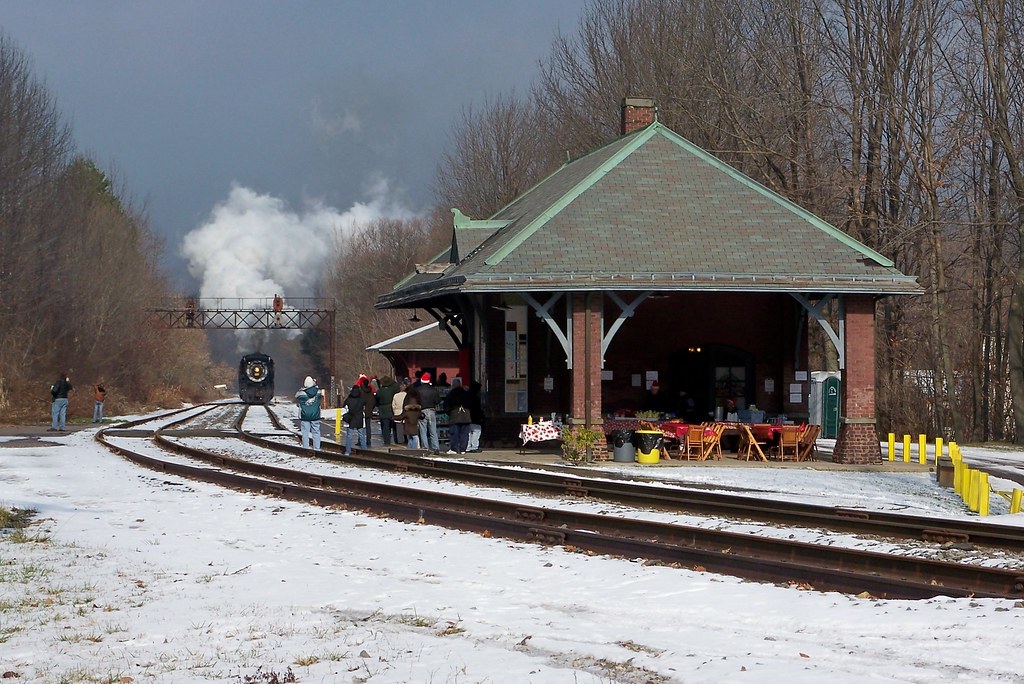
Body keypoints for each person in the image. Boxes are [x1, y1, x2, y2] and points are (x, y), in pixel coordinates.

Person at [443, 380, 471, 454]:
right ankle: (463, 449)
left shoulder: (451, 394)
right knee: (464, 434)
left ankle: (454, 449)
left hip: (455, 416)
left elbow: (446, 405)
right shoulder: (466, 393)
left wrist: (449, 413)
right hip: (466, 416)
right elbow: (471, 404)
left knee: (454, 433)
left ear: (453, 385)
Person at [416, 372, 441, 453]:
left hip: (422, 411)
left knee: (423, 430)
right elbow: (438, 401)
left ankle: (425, 448)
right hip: (431, 410)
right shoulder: (434, 390)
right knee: (433, 431)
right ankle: (436, 448)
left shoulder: (418, 390)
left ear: (422, 380)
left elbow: (415, 401)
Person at [294, 376, 321, 449]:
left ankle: (306, 448)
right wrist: (315, 385)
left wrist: (303, 388)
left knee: (305, 433)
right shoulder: (318, 392)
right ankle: (317, 448)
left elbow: (296, 396)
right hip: (315, 415)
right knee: (316, 432)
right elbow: (320, 393)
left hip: (305, 416)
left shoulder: (301, 393)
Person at [343, 383, 367, 455]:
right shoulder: (361, 399)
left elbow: (344, 406)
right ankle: (364, 451)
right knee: (361, 435)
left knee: (349, 435)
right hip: (359, 418)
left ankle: (348, 451)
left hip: (351, 418)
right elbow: (365, 403)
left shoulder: (349, 399)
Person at [375, 375, 400, 446]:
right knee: (394, 425)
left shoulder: (380, 391)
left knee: (385, 427)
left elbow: (376, 400)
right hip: (391, 409)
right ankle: (397, 440)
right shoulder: (393, 389)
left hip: (383, 410)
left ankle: (387, 442)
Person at [466, 380, 485, 453]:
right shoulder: (476, 397)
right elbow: (477, 408)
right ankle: (474, 447)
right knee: (476, 432)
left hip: (467, 417)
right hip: (475, 417)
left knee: (469, 433)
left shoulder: (466, 395)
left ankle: (468, 446)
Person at [401, 385, 422, 449]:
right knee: (414, 435)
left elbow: (404, 406)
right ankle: (413, 449)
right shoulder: (417, 397)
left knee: (411, 436)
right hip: (415, 416)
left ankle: (411, 449)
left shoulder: (408, 398)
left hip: (408, 417)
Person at [358, 375, 377, 446]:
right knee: (368, 426)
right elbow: (374, 402)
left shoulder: (360, 392)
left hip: (361, 411)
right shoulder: (370, 392)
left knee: (360, 426)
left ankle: (360, 440)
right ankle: (368, 440)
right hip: (369, 410)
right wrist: (371, 408)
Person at [390, 378, 409, 445]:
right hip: (406, 413)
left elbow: (393, 405)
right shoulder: (407, 395)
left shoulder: (396, 395)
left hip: (397, 413)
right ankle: (407, 440)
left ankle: (400, 442)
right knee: (406, 428)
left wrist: (395, 411)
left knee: (399, 429)